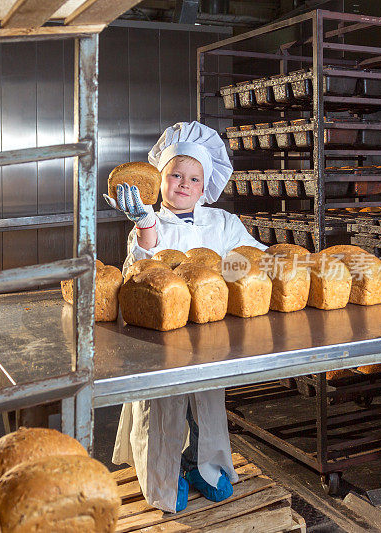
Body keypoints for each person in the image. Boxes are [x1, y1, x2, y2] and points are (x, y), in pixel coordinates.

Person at [105, 121, 267, 513]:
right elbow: (136, 273)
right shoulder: (149, 221)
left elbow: (253, 259)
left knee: (207, 404)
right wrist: (144, 226)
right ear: (159, 179)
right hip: (160, 340)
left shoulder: (223, 223)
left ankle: (204, 467)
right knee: (162, 408)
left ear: (205, 185)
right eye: (175, 174)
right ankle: (162, 476)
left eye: (194, 178)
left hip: (211, 335)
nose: (183, 183)